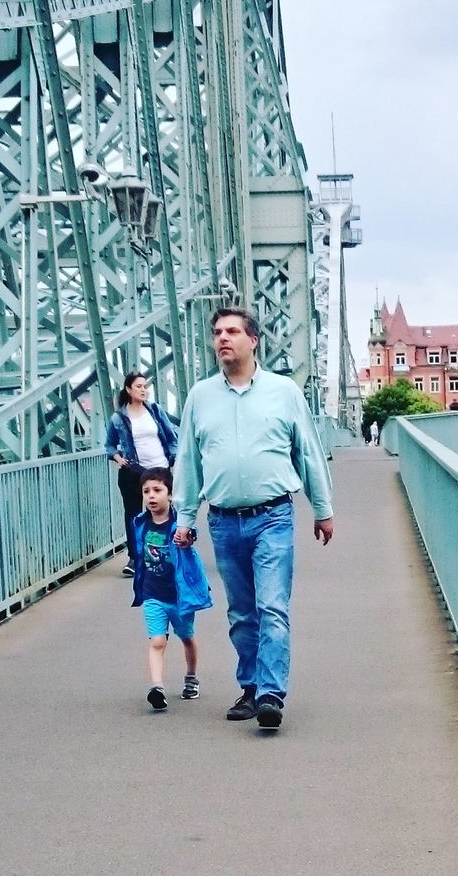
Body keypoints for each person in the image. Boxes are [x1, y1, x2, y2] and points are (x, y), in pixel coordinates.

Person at [173, 307, 334, 731]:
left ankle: (270, 694)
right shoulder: (200, 396)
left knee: (272, 607)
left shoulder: (284, 392)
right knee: (242, 612)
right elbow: (188, 459)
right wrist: (184, 516)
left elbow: (308, 452)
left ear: (252, 340)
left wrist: (322, 508)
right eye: (217, 333)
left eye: (231, 332)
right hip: (223, 521)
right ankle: (250, 687)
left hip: (272, 516)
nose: (222, 339)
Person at [128, 464, 212, 711]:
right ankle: (157, 687)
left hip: (179, 595)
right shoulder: (140, 523)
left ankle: (191, 677)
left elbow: (190, 536)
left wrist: (185, 539)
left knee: (186, 637)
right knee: (157, 641)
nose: (151, 496)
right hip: (153, 593)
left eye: (157, 490)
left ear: (170, 494)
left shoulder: (179, 524)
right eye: (146, 491)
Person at [106, 371, 178, 576]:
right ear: (128, 390)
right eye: (139, 386)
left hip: (159, 470)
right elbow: (109, 445)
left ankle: (168, 553)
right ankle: (135, 559)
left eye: (145, 386)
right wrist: (118, 458)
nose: (143, 390)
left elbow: (172, 438)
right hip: (133, 472)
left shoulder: (155, 411)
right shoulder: (118, 417)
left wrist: (172, 459)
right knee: (134, 515)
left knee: (164, 512)